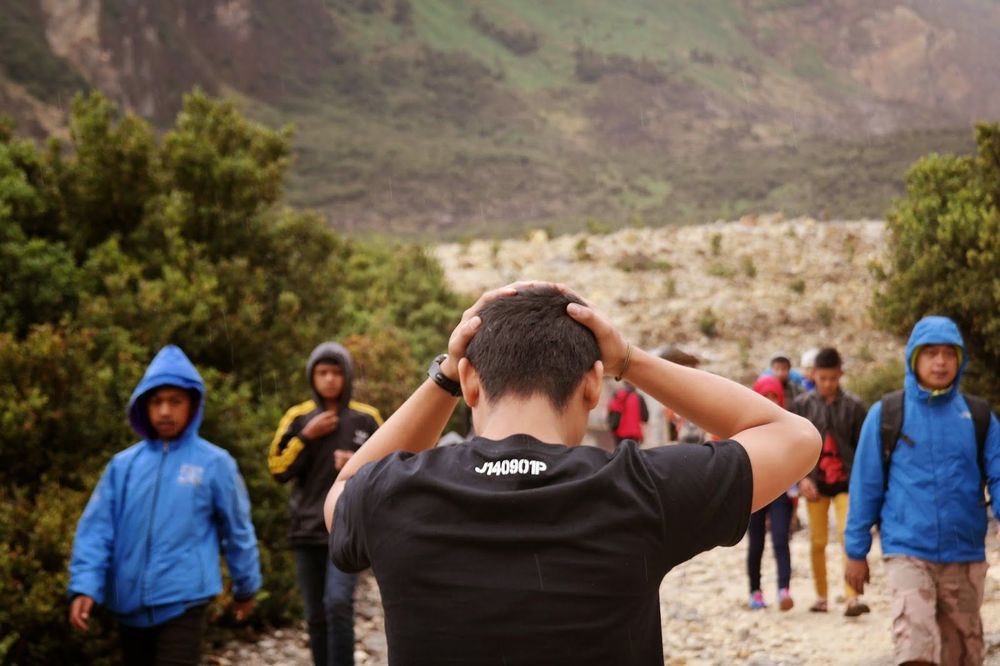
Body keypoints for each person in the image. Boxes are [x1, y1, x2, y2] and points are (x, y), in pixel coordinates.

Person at [323, 283, 821, 664]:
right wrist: (629, 359)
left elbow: (341, 490)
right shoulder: (639, 490)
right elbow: (796, 438)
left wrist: (443, 378)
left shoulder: (391, 494)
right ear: (592, 387)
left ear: (471, 383)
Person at [68, 345, 261, 665]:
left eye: (175, 401)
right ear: (144, 406)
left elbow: (237, 530)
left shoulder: (215, 463)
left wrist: (246, 587)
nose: (165, 412)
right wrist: (85, 586)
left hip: (184, 600)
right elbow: (97, 528)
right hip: (127, 604)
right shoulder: (123, 465)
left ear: (193, 404)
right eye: (156, 402)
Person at [845, 316, 1000, 666]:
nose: (940, 362)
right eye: (930, 353)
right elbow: (866, 484)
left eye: (949, 353)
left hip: (965, 553)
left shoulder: (979, 416)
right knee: (914, 648)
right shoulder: (887, 413)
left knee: (963, 655)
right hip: (907, 549)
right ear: (913, 358)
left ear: (960, 360)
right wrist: (855, 551)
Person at [268, 342, 382, 666]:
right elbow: (277, 469)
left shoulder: (366, 419)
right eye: (322, 372)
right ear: (312, 377)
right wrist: (306, 436)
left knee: (337, 605)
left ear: (346, 375)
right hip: (305, 529)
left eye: (336, 372)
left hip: (346, 530)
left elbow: (392, 468)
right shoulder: (299, 417)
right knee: (315, 614)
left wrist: (358, 463)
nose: (330, 379)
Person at [790, 347, 870, 616]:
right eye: (822, 378)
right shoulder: (801, 406)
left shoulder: (855, 406)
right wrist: (801, 478)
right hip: (815, 483)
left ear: (841, 375)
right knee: (817, 541)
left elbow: (864, 448)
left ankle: (852, 597)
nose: (827, 384)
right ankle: (821, 596)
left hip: (847, 482)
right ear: (813, 375)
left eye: (833, 378)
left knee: (848, 538)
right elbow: (792, 446)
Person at [746, 375, 795, 611]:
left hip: (781, 492)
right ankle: (755, 591)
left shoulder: (788, 426)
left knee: (780, 540)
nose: (770, 401)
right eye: (765, 396)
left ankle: (784, 589)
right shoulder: (746, 425)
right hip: (754, 491)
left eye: (774, 396)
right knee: (756, 544)